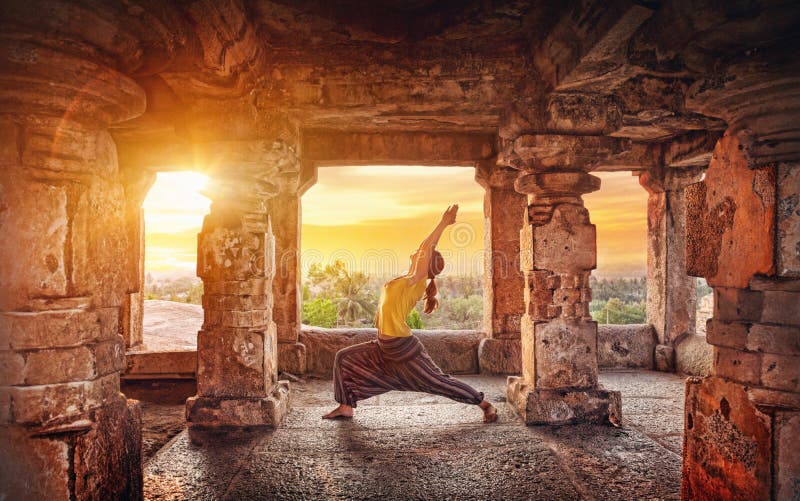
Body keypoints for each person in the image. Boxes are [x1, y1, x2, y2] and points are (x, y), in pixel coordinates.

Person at [322, 204, 497, 423]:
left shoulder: (416, 281)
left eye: (423, 254)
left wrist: (443, 224)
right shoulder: (406, 279)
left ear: (426, 262)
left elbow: (426, 246)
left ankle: (485, 405)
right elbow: (424, 249)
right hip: (383, 346)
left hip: (403, 348)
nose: (418, 251)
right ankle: (345, 406)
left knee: (438, 382)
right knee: (344, 358)